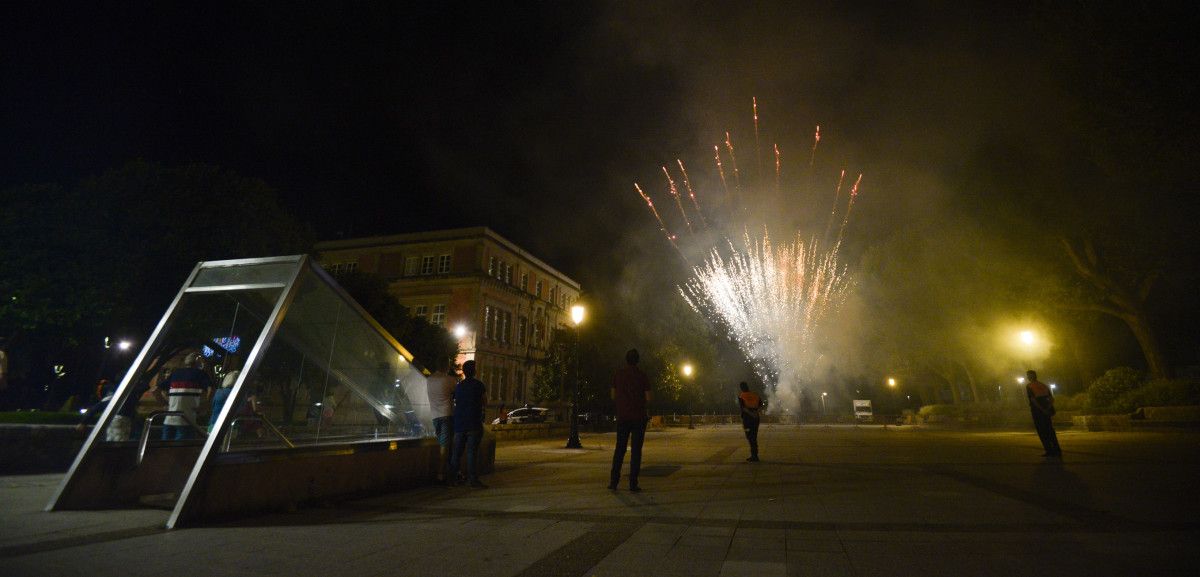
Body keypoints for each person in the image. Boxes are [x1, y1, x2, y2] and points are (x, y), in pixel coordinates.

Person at [609, 348, 651, 492]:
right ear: (637, 360)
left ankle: (614, 481)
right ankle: (633, 483)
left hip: (623, 416)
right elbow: (648, 397)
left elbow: (613, 395)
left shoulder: (618, 375)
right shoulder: (642, 376)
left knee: (619, 449)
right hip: (638, 417)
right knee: (636, 451)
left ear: (626, 359)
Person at [449, 360, 487, 488]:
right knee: (471, 453)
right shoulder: (479, 385)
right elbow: (484, 401)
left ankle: (453, 478)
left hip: (459, 423)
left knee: (457, 453)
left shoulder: (459, 386)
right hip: (473, 423)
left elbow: (455, 401)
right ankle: (472, 480)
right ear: (474, 371)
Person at [158, 352, 213, 440]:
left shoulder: (175, 373)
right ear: (197, 362)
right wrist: (205, 404)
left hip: (169, 418)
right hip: (187, 420)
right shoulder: (200, 373)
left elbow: (157, 390)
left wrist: (166, 403)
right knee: (182, 449)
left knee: (164, 448)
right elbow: (211, 388)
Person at [425, 356, 457, 484]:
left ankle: (445, 470)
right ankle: (441, 474)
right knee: (445, 446)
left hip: (434, 416)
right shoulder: (449, 380)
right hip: (446, 415)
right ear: (446, 366)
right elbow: (456, 394)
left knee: (443, 443)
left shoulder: (429, 379)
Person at [1025, 369, 1061, 458]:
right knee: (1050, 430)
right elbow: (1052, 399)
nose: (1028, 377)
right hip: (1047, 411)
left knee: (1042, 431)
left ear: (1030, 377)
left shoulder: (1029, 386)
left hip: (1037, 412)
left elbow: (1033, 400)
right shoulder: (1043, 385)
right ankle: (1057, 449)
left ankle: (1049, 450)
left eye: (1028, 376)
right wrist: (1047, 408)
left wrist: (1041, 409)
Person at [737, 382, 762, 462]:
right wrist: (755, 413)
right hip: (756, 419)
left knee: (749, 436)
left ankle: (754, 455)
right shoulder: (755, 395)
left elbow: (743, 408)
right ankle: (755, 455)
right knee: (754, 436)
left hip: (747, 420)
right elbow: (761, 405)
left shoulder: (741, 396)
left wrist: (751, 414)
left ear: (741, 388)